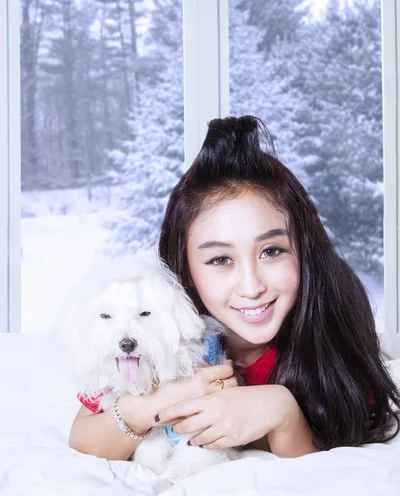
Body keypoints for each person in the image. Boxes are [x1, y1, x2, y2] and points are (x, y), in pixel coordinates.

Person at [69, 115, 400, 461]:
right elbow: (84, 438)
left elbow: (324, 476)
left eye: (271, 251)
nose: (251, 286)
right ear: (185, 267)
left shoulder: (332, 345)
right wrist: (158, 402)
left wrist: (284, 413)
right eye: (220, 260)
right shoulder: (163, 333)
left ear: (303, 251)